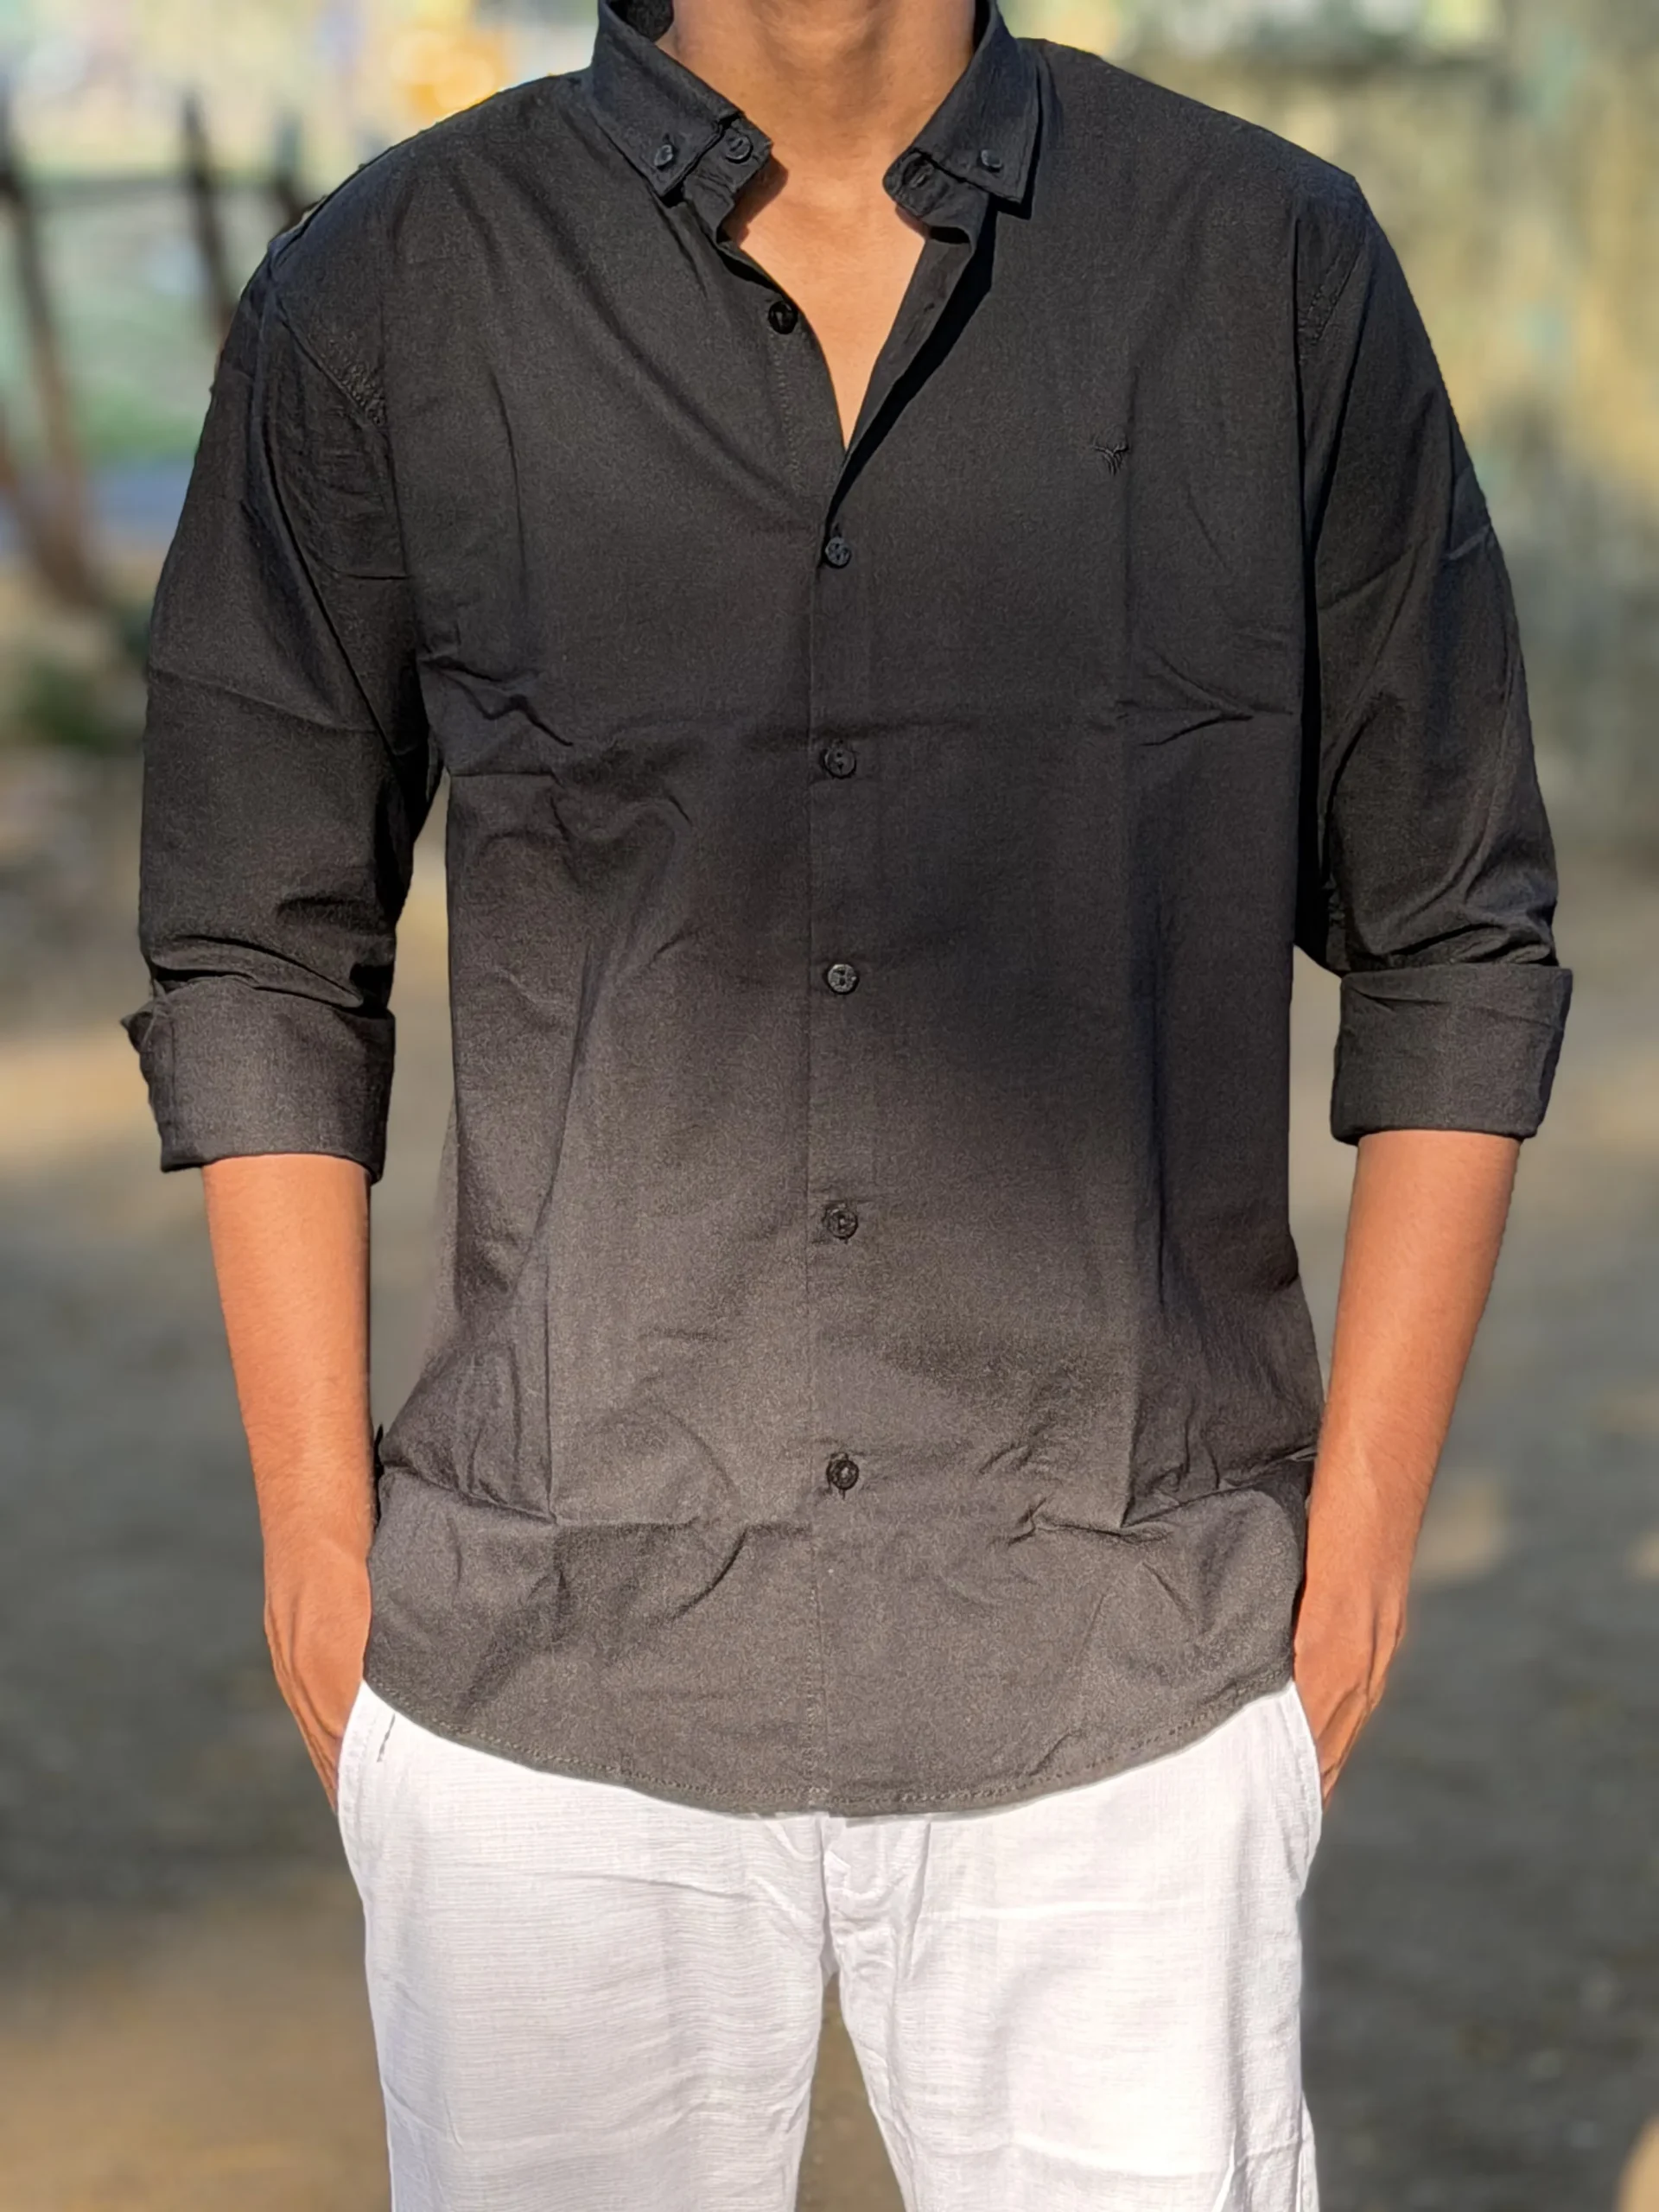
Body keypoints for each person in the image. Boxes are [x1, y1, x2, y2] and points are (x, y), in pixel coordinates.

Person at [122, 1, 1571, 2205]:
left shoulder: (1264, 266)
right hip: (551, 1668)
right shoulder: (398, 282)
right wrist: (323, 1544)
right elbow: (255, 938)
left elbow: (1456, 930)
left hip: (1129, 1671)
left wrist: (1355, 1560)